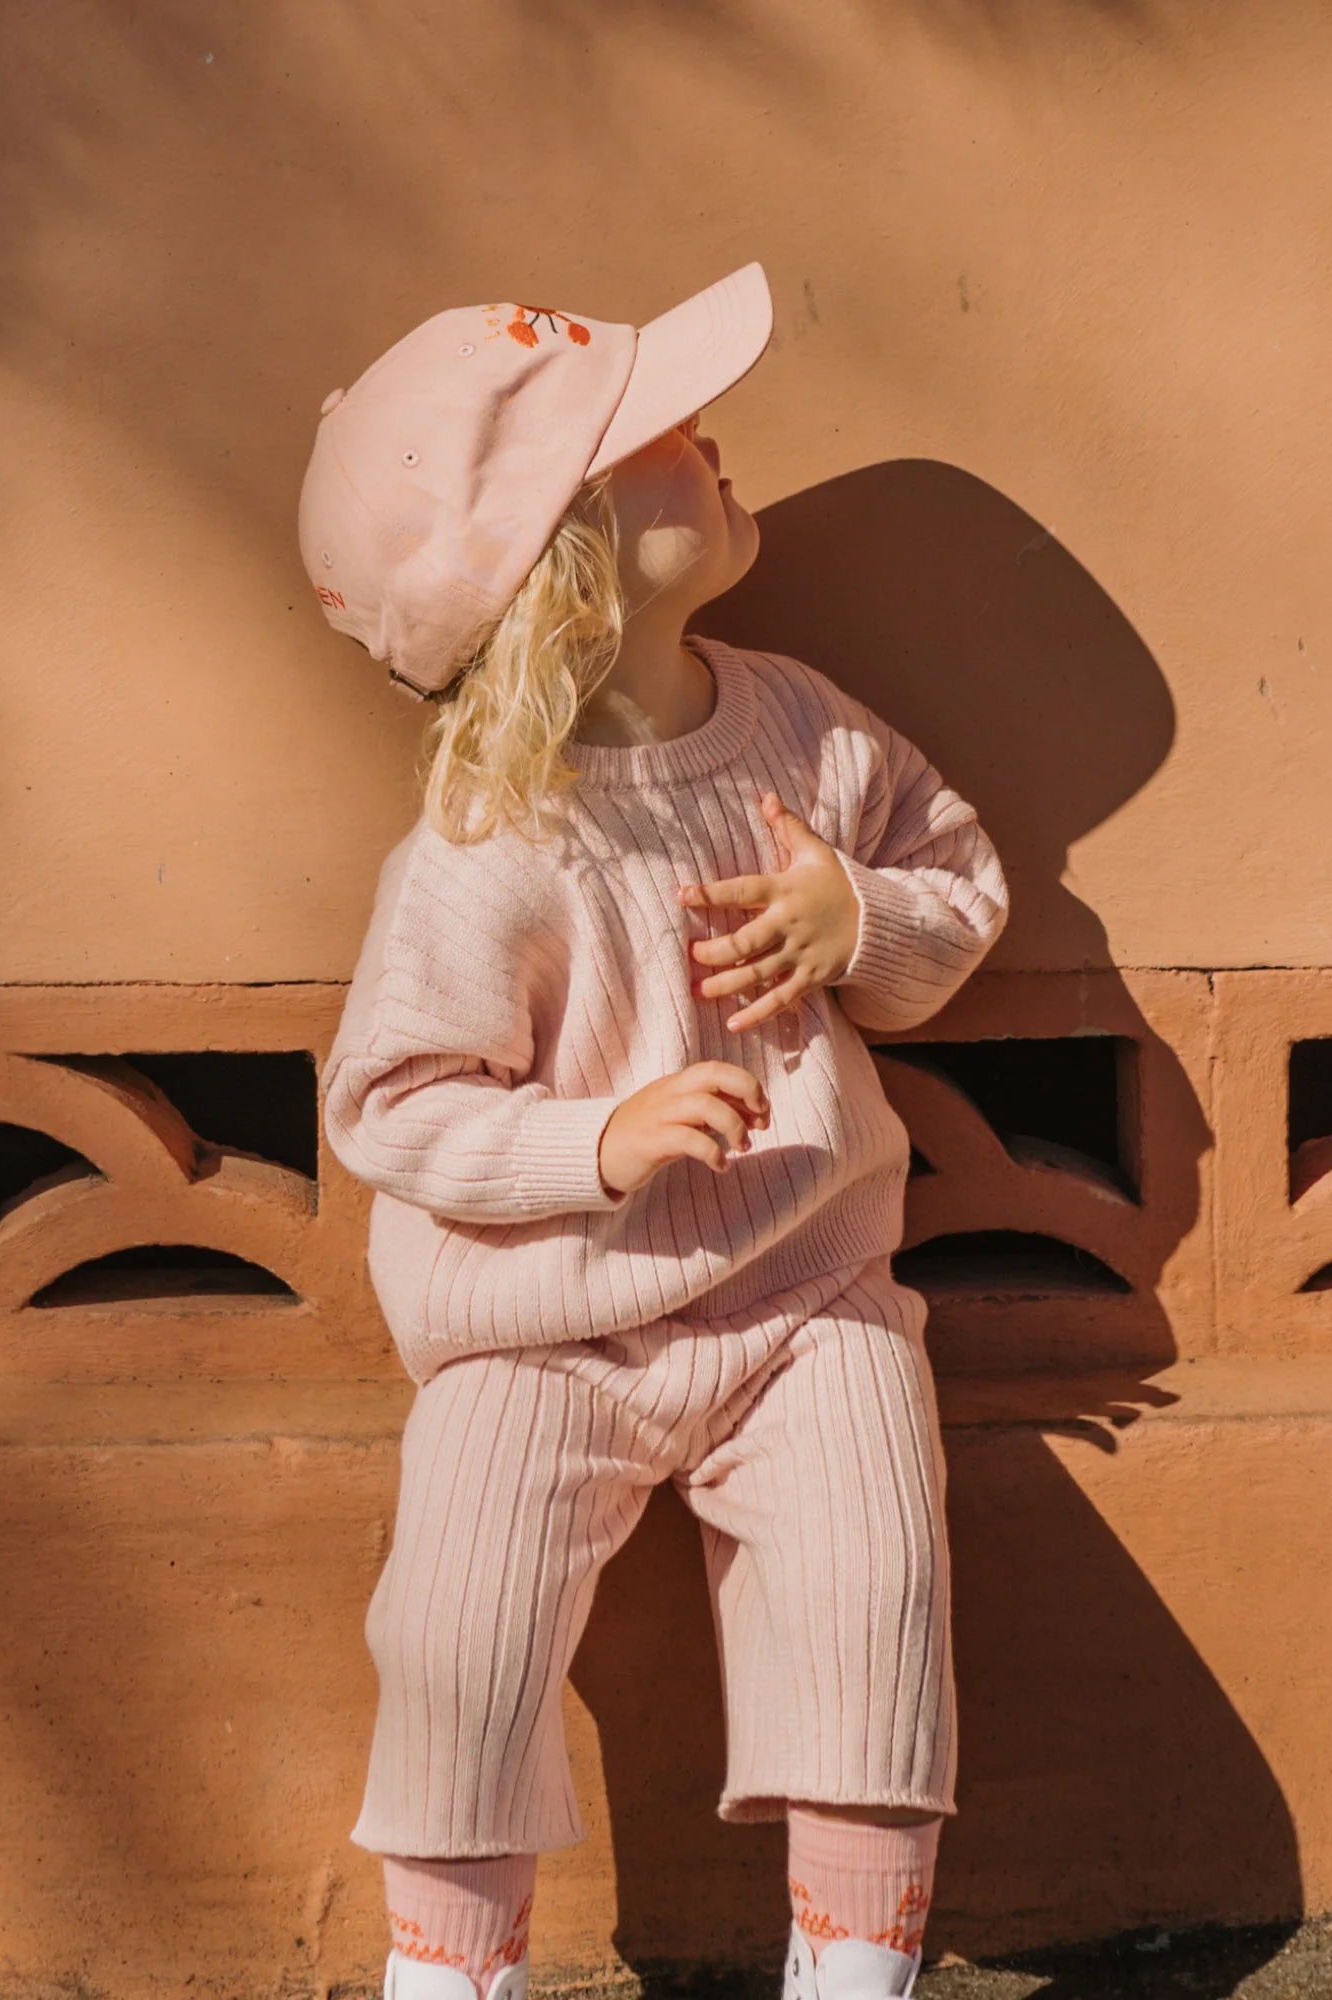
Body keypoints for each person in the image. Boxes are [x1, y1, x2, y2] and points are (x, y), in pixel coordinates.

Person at [298, 262, 1010, 2000]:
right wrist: (592, 1149)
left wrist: (867, 922)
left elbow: (960, 877)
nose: (713, 438)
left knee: (873, 1590)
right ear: (565, 568)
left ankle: (856, 1971)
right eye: (661, 436)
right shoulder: (486, 842)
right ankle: (454, 1978)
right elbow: (388, 1103)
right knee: (458, 1628)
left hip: (802, 1300)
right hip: (537, 1328)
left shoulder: (803, 727)